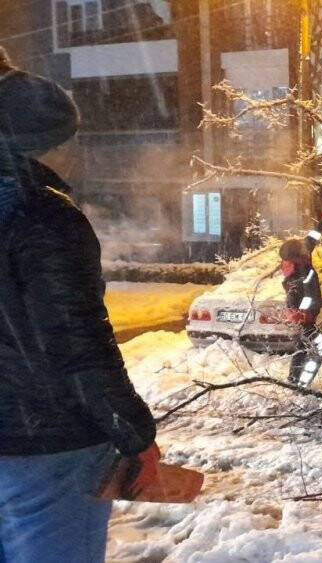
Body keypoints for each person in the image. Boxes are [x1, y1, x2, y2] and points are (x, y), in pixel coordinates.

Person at [0, 55, 159, 562]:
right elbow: (78, 345)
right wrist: (136, 436)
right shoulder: (44, 220)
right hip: (48, 445)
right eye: (71, 139)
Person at [280, 238, 322, 386]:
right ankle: (302, 385)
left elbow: (310, 241)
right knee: (316, 351)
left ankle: (294, 381)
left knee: (302, 351)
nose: (307, 251)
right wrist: (321, 303)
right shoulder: (296, 277)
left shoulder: (302, 262)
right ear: (296, 256)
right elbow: (295, 301)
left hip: (305, 320)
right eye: (303, 250)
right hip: (304, 321)